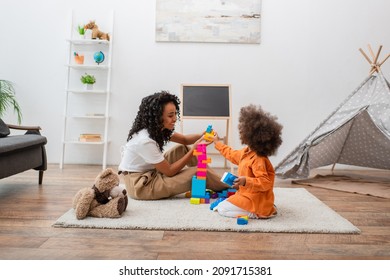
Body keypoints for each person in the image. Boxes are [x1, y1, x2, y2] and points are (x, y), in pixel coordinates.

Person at [118, 91, 228, 200]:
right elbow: (169, 171)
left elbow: (184, 140)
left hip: (151, 171)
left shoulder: (156, 129)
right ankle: (234, 186)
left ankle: (216, 180)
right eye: (170, 115)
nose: (175, 119)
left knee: (182, 149)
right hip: (142, 186)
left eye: (175, 113)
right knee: (199, 172)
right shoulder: (145, 140)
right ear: (157, 117)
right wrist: (193, 150)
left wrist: (202, 135)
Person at [212, 104, 283, 219]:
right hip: (246, 195)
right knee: (223, 204)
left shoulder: (258, 159)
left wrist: (246, 181)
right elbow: (231, 154)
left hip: (254, 199)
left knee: (222, 208)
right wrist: (217, 143)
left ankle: (256, 213)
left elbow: (265, 182)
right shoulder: (246, 152)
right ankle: (265, 207)